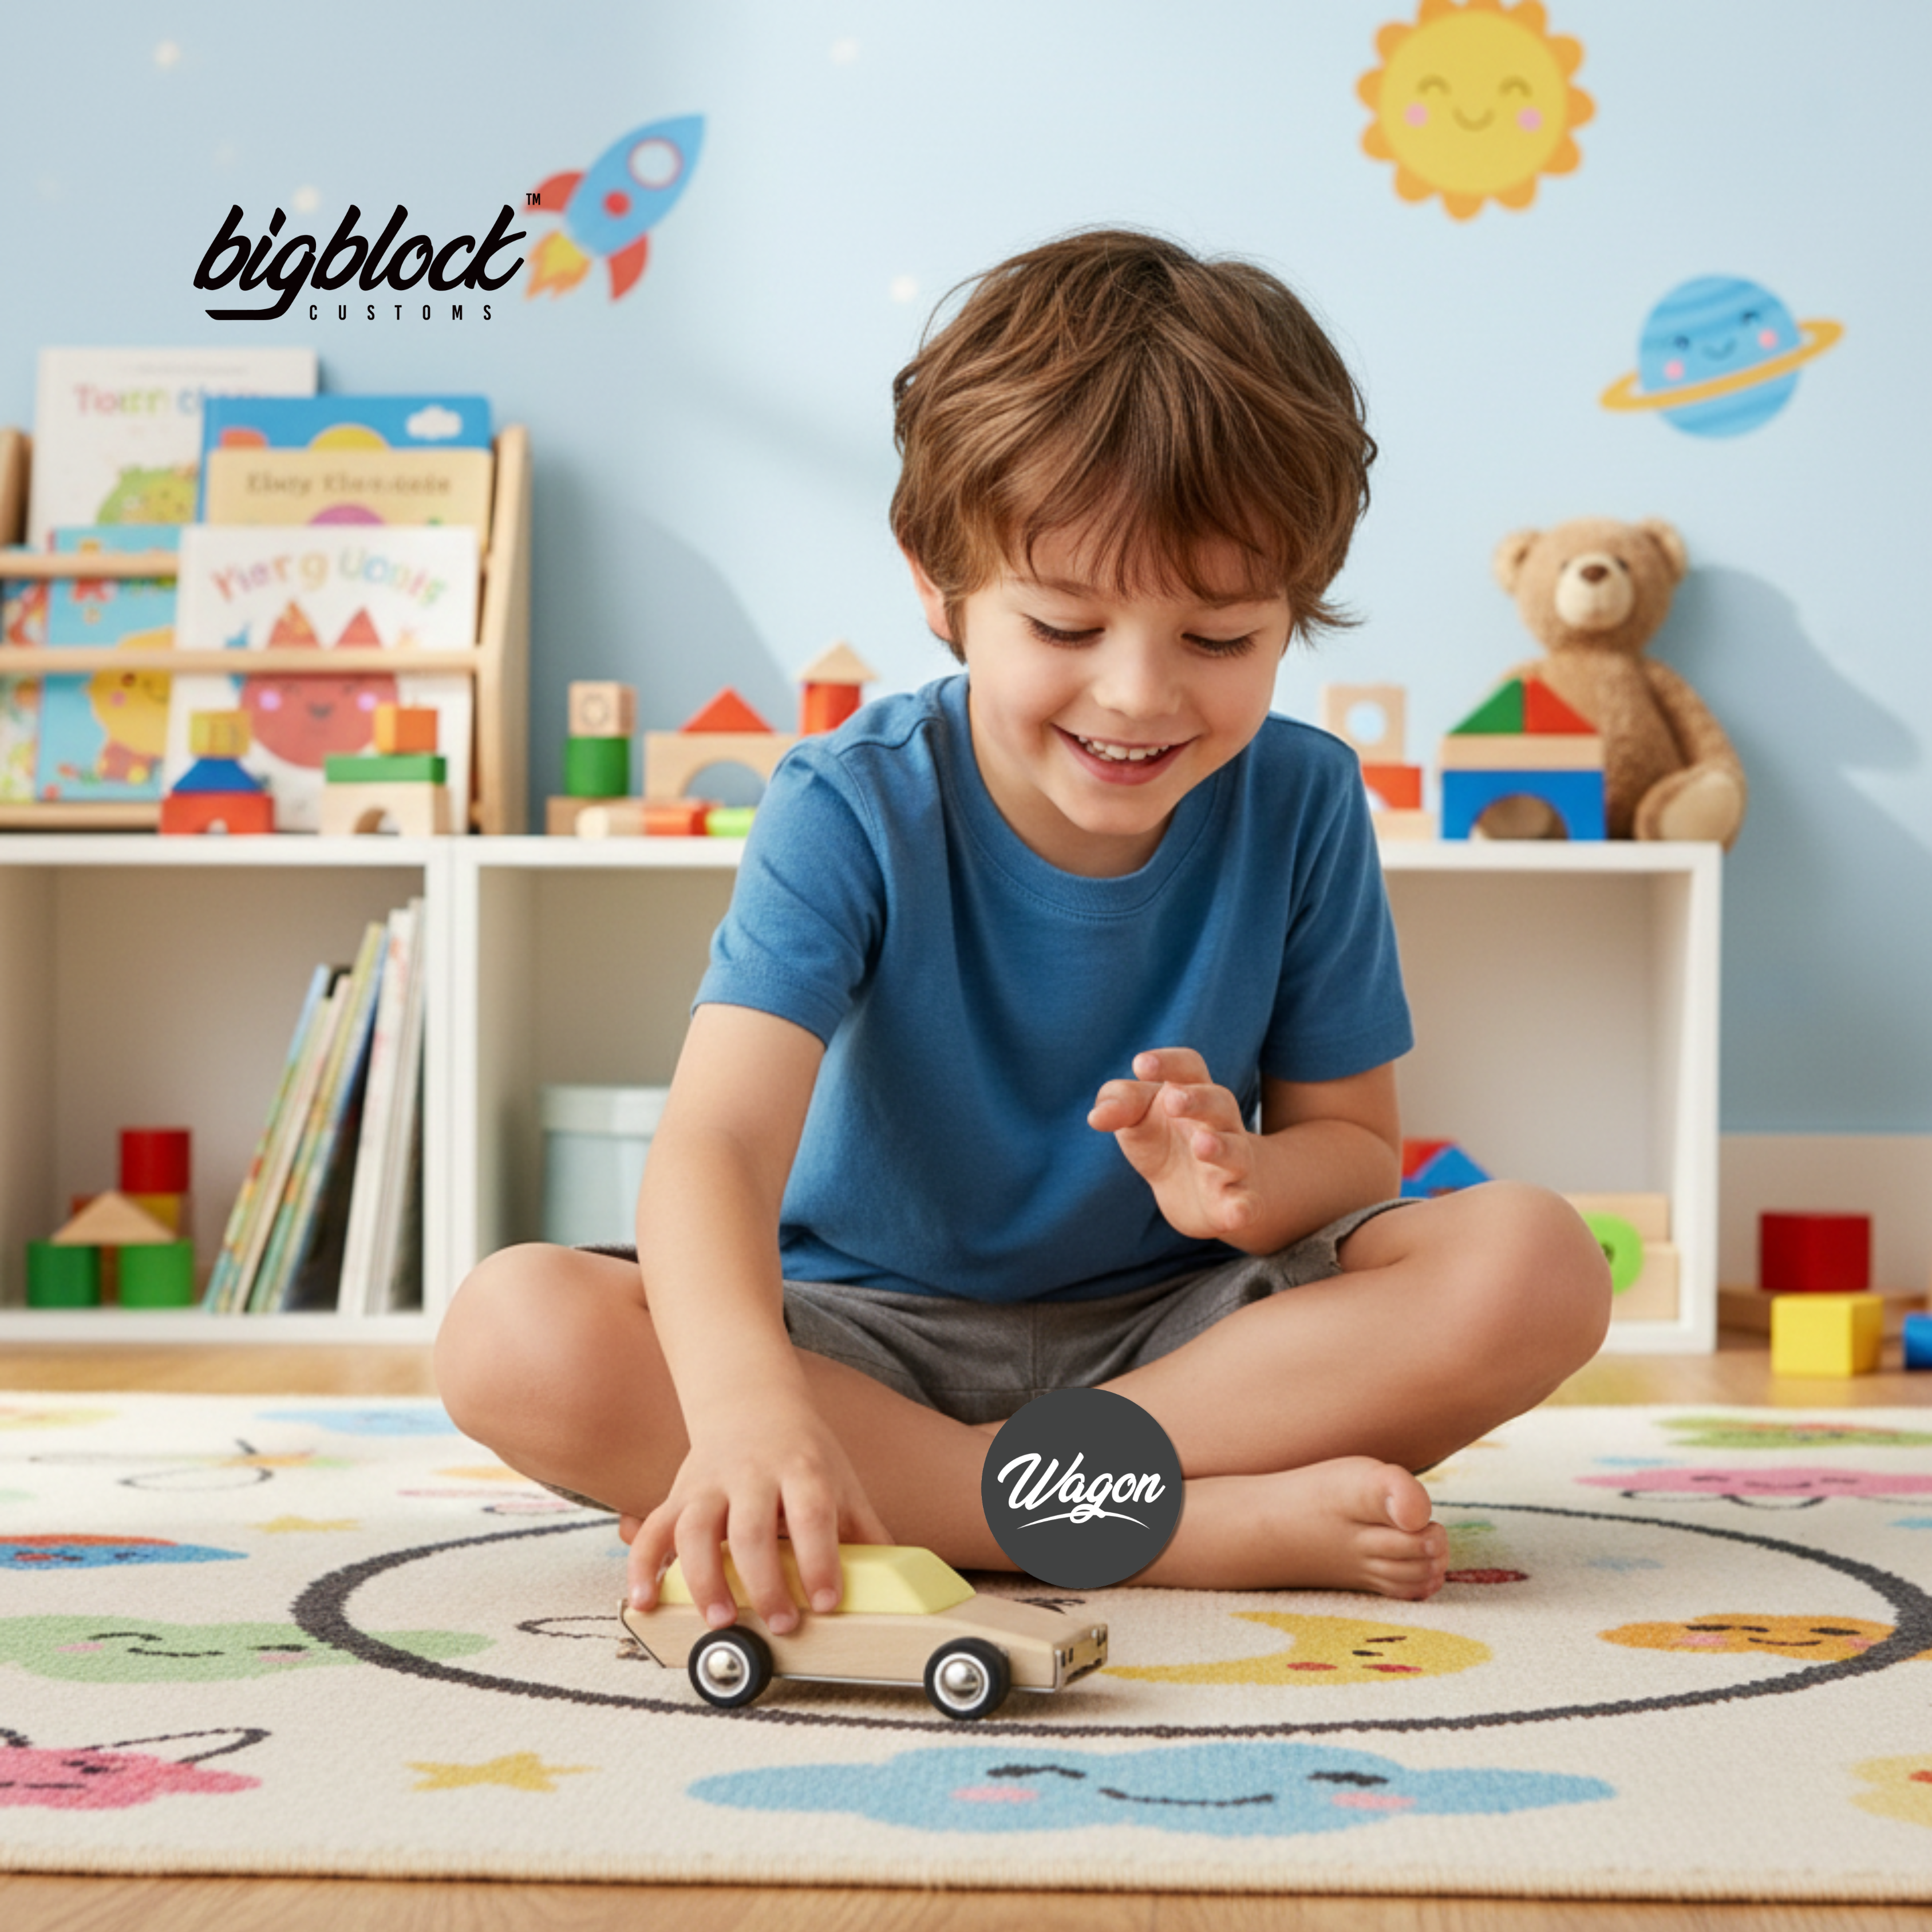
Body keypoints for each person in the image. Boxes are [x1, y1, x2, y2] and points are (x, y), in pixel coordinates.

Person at [435, 228, 1610, 1643]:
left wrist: (1242, 1186)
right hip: (861, 1341)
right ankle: (1163, 1527)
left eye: (1222, 640)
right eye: (1064, 621)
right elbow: (717, 1148)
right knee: (514, 1332)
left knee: (1536, 1260)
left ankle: (973, 1507)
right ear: (937, 583)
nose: (1137, 693)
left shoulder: (1301, 800)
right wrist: (750, 1409)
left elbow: (1355, 1149)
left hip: (1182, 1342)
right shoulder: (847, 802)